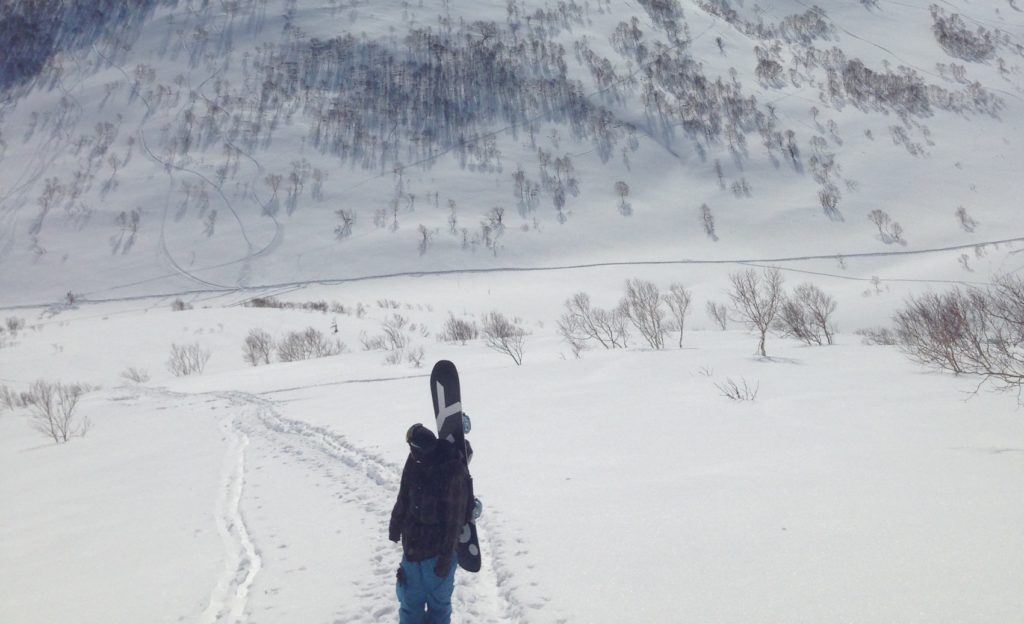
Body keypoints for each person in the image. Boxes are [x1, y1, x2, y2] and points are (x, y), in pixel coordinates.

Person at [389, 423, 470, 624]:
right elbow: (404, 494)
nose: (410, 451)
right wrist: (395, 523)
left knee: (439, 610)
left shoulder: (452, 470)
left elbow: (455, 518)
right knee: (409, 606)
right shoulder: (414, 459)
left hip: (437, 557)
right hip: (412, 552)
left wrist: (445, 557)